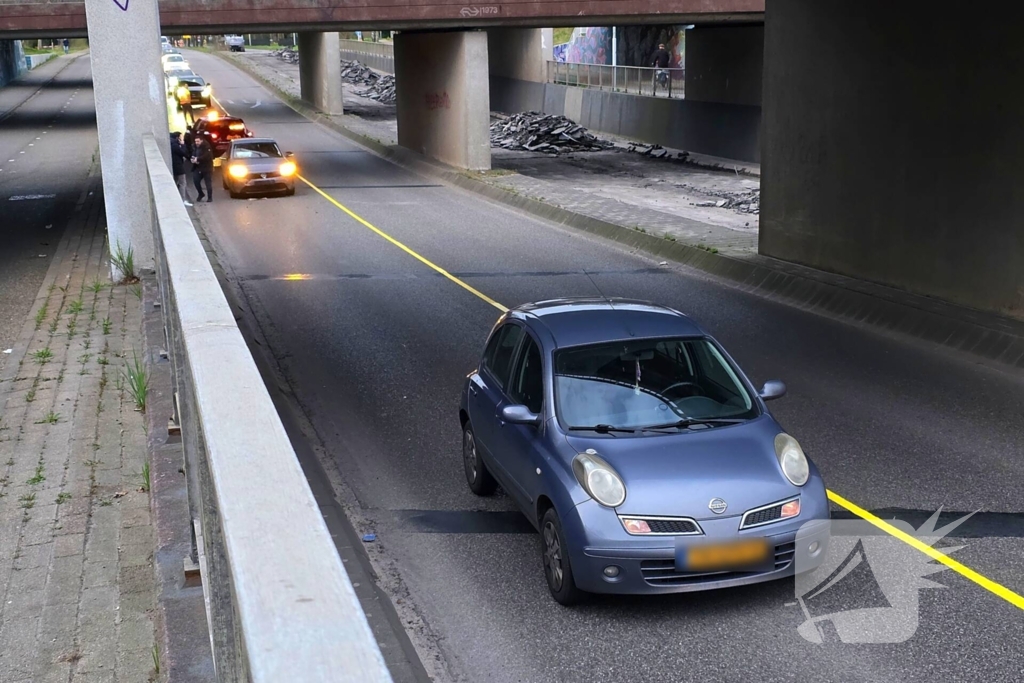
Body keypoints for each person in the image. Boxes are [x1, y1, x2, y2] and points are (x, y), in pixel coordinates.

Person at [170, 132, 192, 206]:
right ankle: (182, 200)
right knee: (182, 183)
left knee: (175, 182)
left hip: (174, 166)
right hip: (179, 167)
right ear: (177, 138)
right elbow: (183, 153)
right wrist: (183, 145)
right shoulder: (175, 146)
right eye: (180, 137)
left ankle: (175, 199)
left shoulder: (171, 144)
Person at [191, 134, 214, 202]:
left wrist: (198, 159)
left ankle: (210, 197)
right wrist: (193, 159)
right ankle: (201, 194)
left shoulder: (207, 147)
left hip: (207, 168)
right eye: (195, 141)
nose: (196, 143)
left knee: (208, 183)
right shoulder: (194, 146)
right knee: (196, 181)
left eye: (198, 141)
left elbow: (207, 156)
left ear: (201, 141)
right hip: (198, 167)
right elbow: (193, 153)